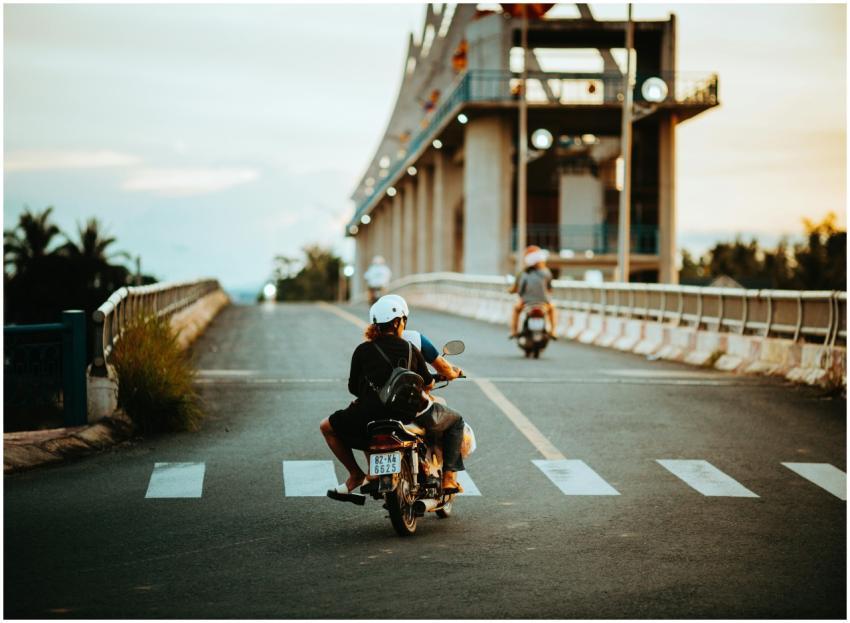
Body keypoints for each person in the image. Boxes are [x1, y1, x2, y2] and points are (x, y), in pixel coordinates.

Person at [320, 295, 467, 503]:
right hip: (408, 412)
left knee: (326, 426)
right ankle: (449, 479)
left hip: (369, 416)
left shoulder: (362, 350)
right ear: (398, 322)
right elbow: (426, 382)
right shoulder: (410, 347)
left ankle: (356, 474)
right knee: (456, 421)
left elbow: (353, 388)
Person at [509, 245, 558, 339]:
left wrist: (513, 291)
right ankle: (553, 331)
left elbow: (519, 290)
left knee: (516, 309)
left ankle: (514, 332)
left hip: (526, 303)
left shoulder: (523, 273)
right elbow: (550, 289)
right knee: (552, 308)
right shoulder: (546, 272)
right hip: (544, 303)